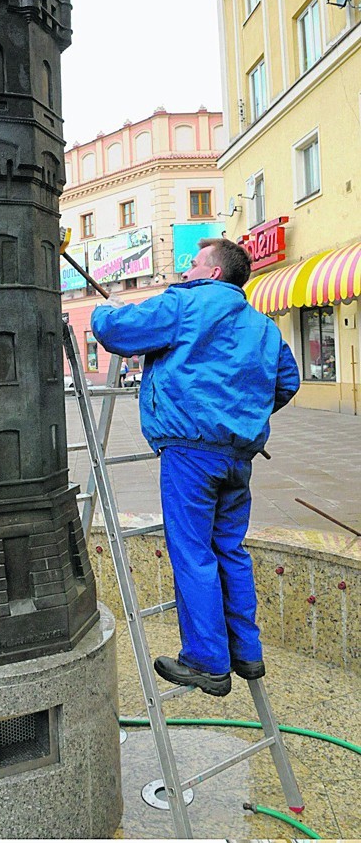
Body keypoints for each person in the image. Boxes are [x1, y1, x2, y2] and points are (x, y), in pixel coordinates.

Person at [91, 238, 300, 697]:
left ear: (214, 273)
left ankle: (207, 660)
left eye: (194, 263)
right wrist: (242, 414)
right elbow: (287, 381)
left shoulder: (186, 303)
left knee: (192, 552)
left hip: (190, 452)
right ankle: (246, 651)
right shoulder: (262, 325)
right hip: (237, 458)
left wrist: (106, 309)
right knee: (230, 550)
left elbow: (119, 331)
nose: (186, 269)